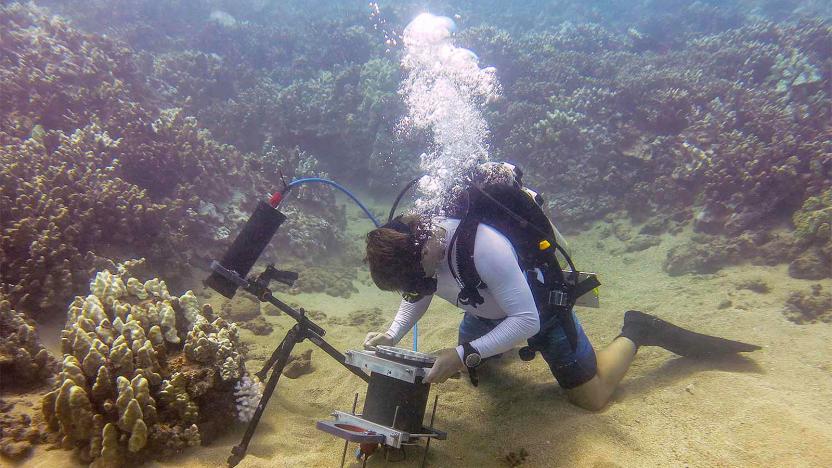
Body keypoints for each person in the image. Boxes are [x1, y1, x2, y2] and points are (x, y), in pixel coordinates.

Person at [362, 178, 759, 411]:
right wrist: (394, 332)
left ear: (426, 248)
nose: (420, 287)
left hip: (539, 313)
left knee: (593, 398)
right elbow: (418, 290)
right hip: (484, 313)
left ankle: (638, 330)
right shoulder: (417, 251)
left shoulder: (483, 247)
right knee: (480, 375)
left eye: (421, 278)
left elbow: (527, 321)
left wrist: (463, 354)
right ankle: (491, 353)